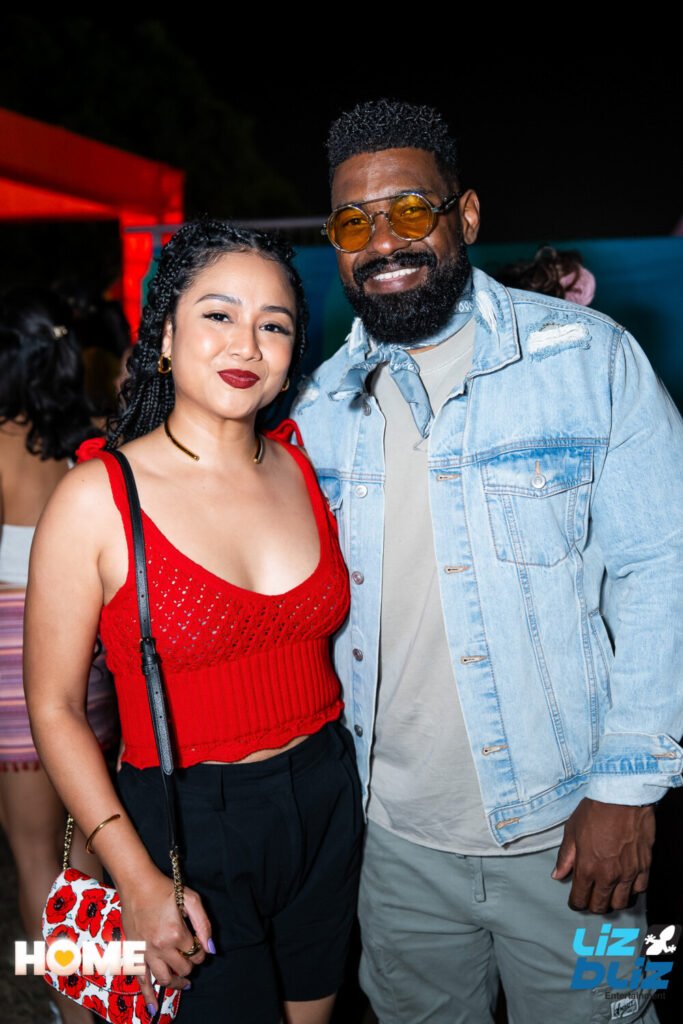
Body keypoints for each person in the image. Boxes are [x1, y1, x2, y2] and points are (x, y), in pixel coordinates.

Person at [291, 99, 683, 1024]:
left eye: (409, 210)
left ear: (464, 215)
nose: (382, 241)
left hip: (573, 837)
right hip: (392, 849)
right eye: (353, 223)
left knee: (611, 1012)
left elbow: (662, 567)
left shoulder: (588, 359)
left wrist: (627, 791)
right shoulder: (322, 403)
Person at [24, 221, 362, 1024]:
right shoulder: (96, 498)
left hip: (326, 794)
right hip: (187, 823)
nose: (246, 344)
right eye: (218, 315)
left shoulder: (302, 465)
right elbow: (55, 707)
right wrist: (134, 876)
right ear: (166, 336)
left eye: (274, 325)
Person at [0, 286, 118, 1024]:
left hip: (14, 669)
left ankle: (70, 1011)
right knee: (88, 849)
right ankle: (103, 998)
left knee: (35, 855)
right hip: (86, 661)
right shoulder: (96, 441)